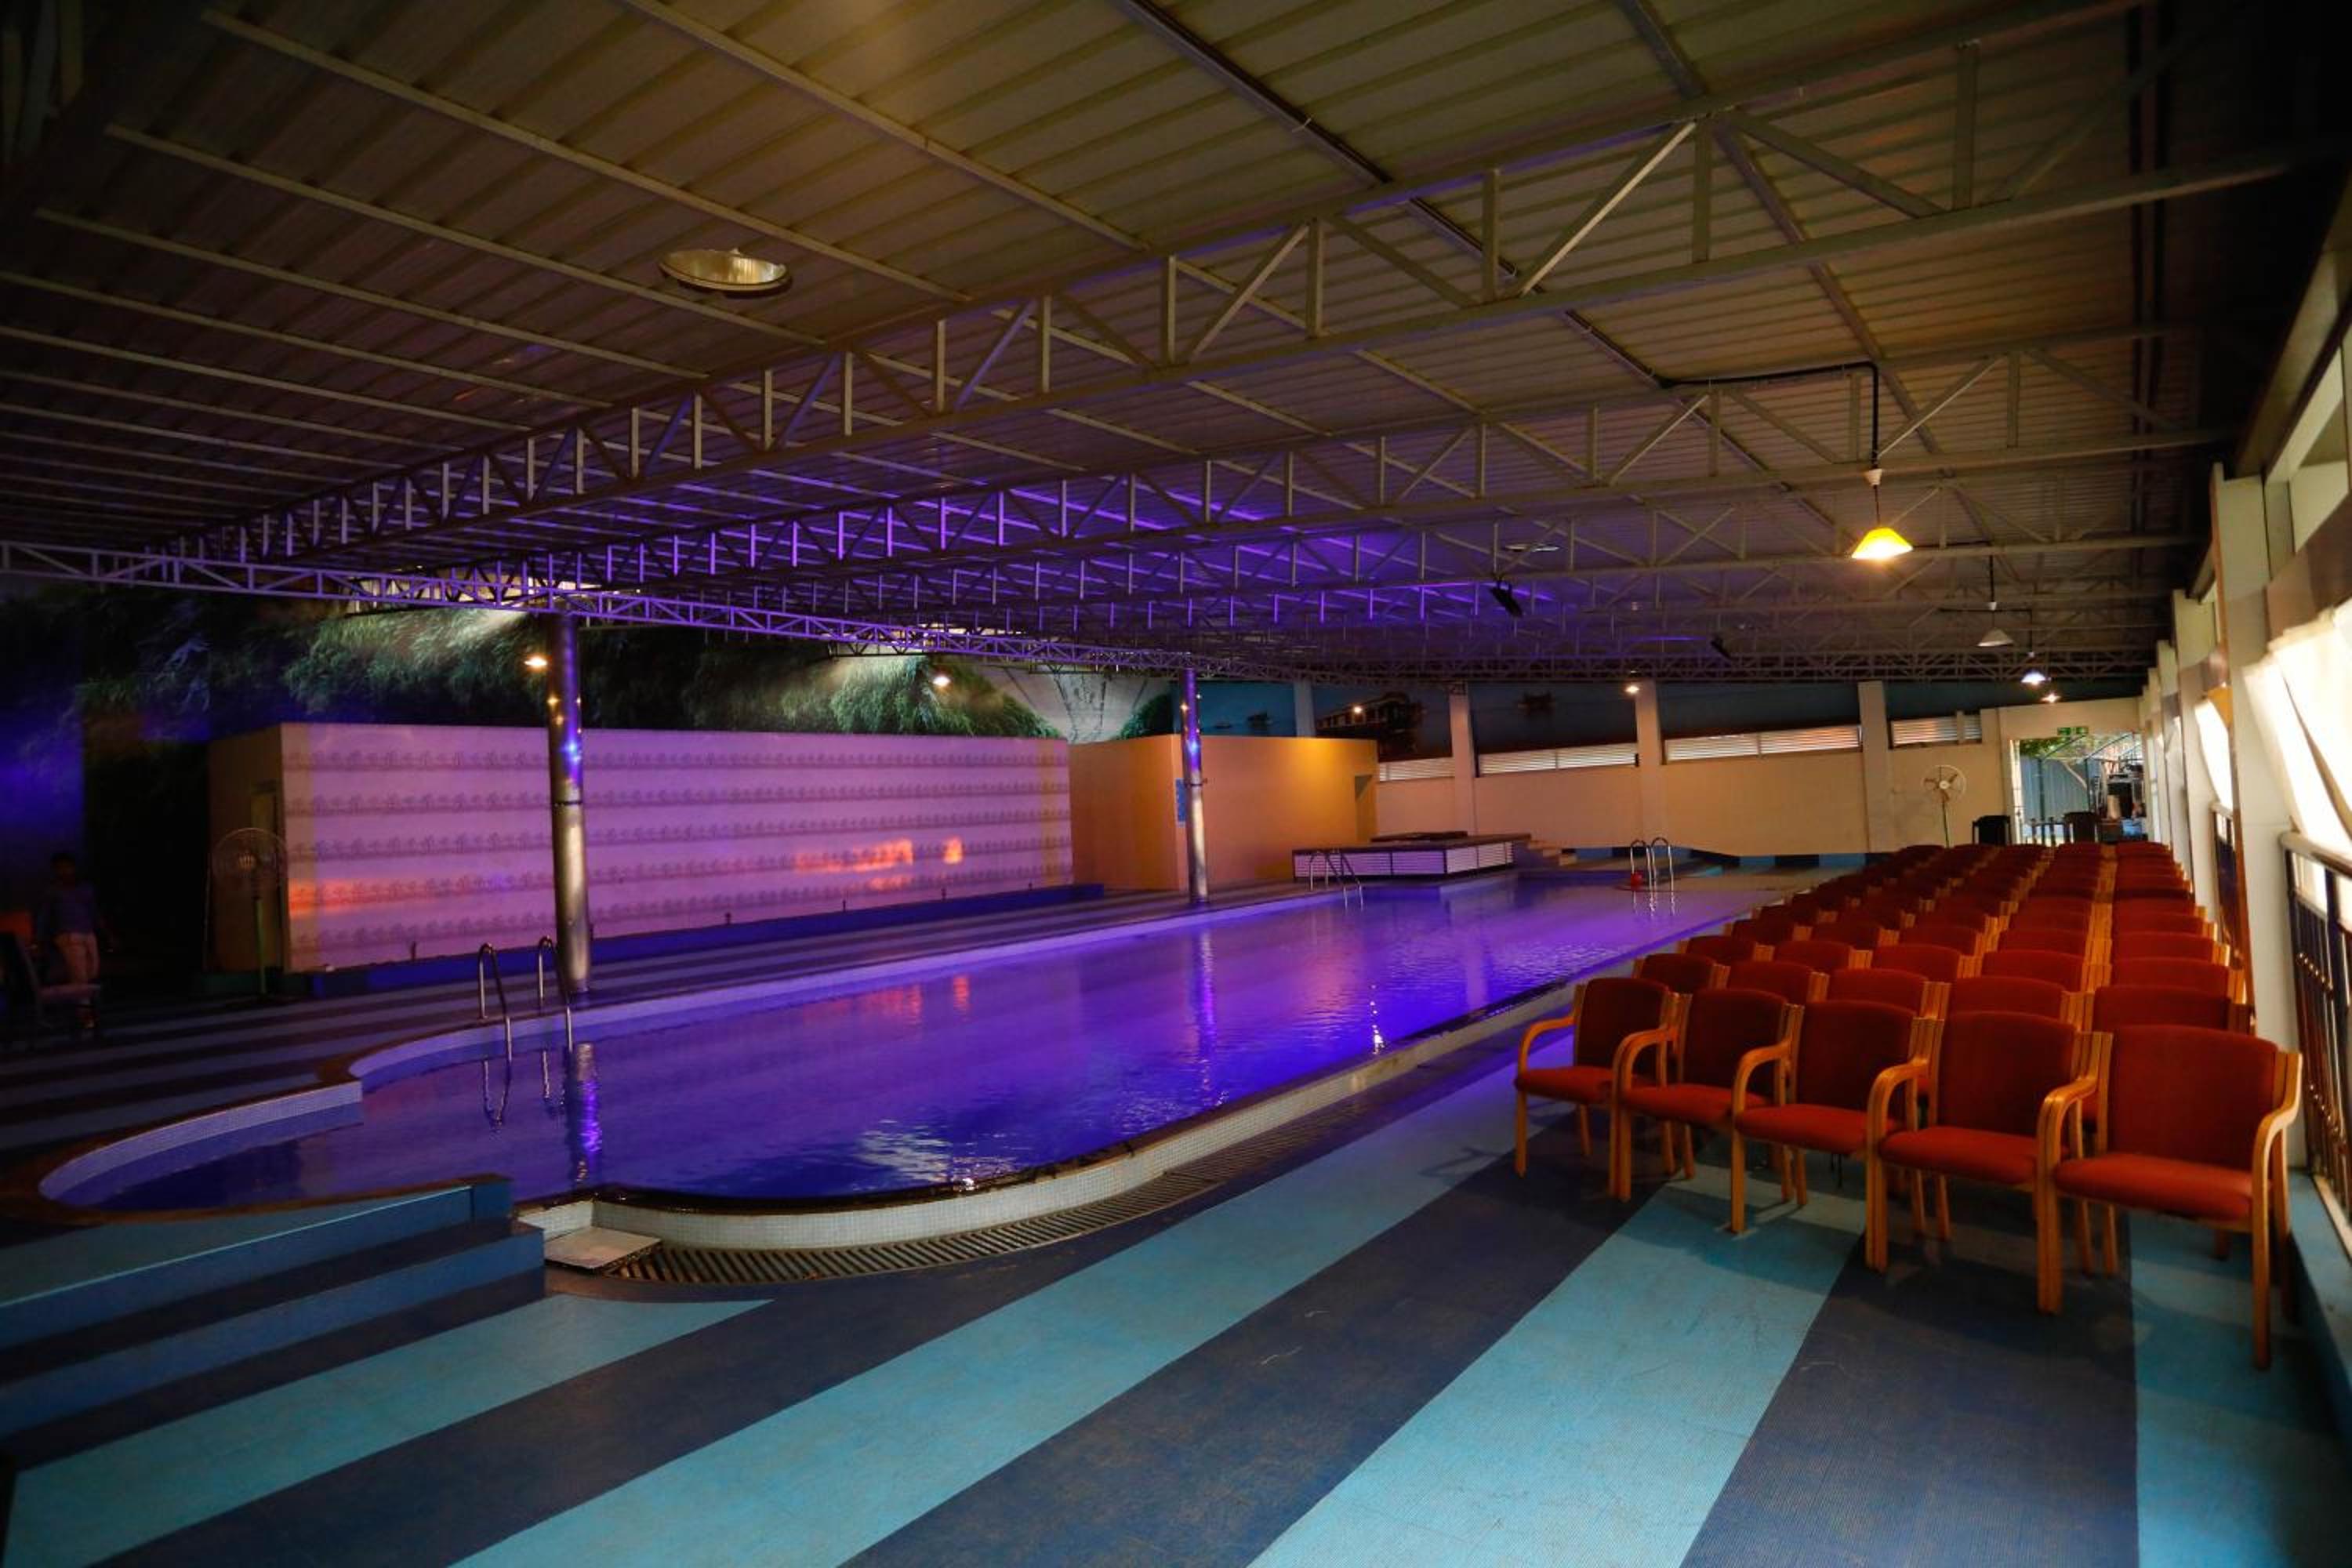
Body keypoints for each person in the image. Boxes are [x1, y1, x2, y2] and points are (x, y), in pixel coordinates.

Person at [35, 851, 110, 988]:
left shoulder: (86, 889)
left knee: (92, 971)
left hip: (88, 933)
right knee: (79, 975)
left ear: (74, 868)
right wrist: (40, 940)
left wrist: (107, 933)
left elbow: (94, 912)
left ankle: (84, 997)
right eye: (60, 868)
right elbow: (44, 917)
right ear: (55, 871)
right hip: (68, 935)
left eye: (67, 867)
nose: (64, 871)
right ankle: (83, 1001)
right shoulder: (53, 892)